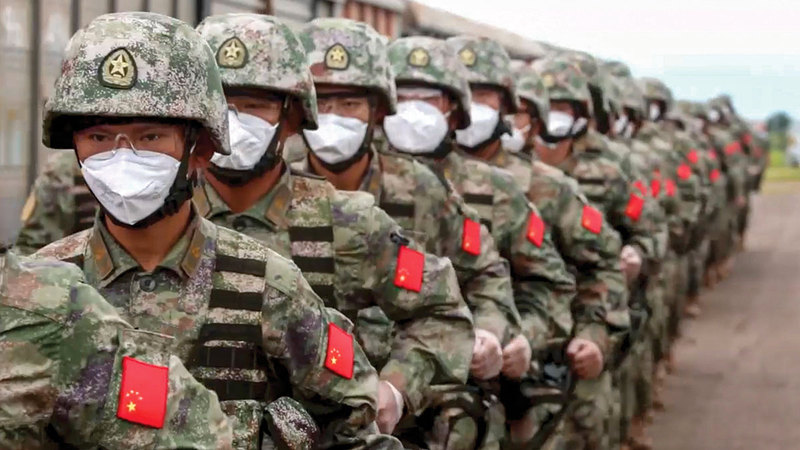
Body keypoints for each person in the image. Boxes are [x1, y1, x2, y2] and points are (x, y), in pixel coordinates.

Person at [31, 12, 391, 450]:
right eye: (99, 138)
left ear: (200, 148)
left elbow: (354, 428)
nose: (123, 157)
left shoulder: (268, 287)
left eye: (150, 137)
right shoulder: (35, 292)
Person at [193, 14, 474, 437]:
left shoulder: (351, 223)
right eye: (221, 102)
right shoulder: (155, 225)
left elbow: (442, 314)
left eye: (256, 105)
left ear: (292, 116)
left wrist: (395, 388)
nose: (234, 120)